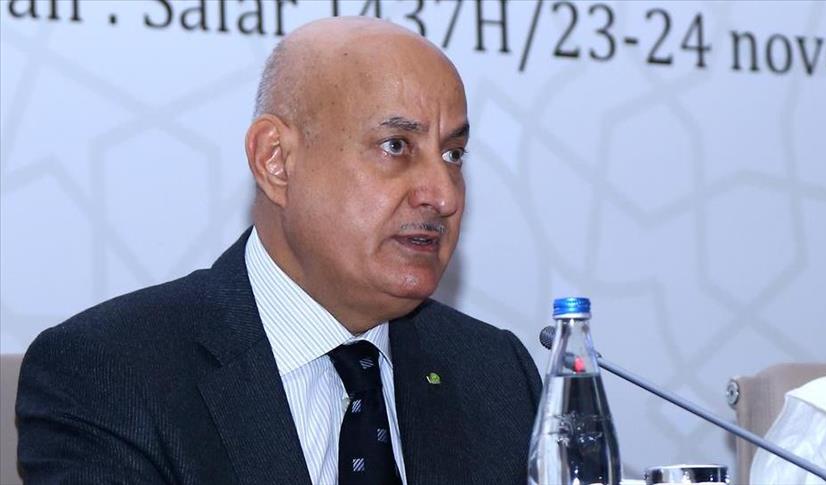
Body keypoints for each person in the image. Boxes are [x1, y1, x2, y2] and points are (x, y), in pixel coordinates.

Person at [15, 16, 541, 485]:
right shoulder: (111, 374)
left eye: (453, 154)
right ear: (276, 161)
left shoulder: (495, 374)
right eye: (396, 146)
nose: (444, 196)